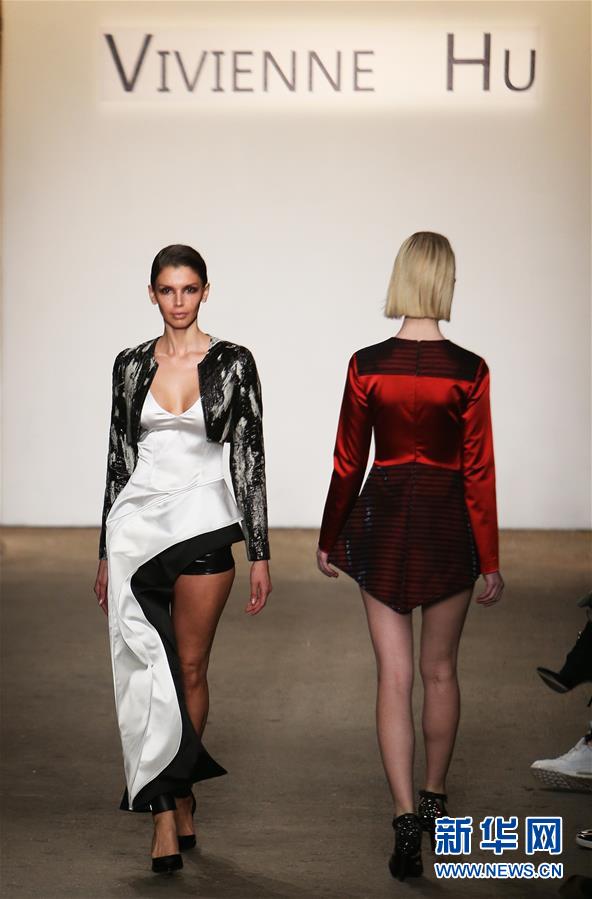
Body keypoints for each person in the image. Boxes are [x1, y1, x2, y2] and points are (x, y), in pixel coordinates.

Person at [316, 231, 504, 881]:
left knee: (392, 677)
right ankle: (433, 800)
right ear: (446, 282)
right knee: (440, 671)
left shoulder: (366, 364)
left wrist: (329, 535)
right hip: (448, 522)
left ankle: (401, 817)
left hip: (384, 518)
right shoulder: (470, 370)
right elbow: (478, 470)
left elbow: (349, 461)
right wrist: (490, 557)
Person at [93, 244, 272, 874]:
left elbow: (250, 457)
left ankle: (181, 787)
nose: (178, 301)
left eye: (189, 289)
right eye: (167, 290)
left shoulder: (233, 362)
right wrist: (103, 551)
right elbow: (118, 459)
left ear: (205, 291)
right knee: (142, 671)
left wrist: (259, 552)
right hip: (135, 536)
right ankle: (163, 813)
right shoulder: (130, 364)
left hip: (204, 528)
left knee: (189, 670)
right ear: (152, 294)